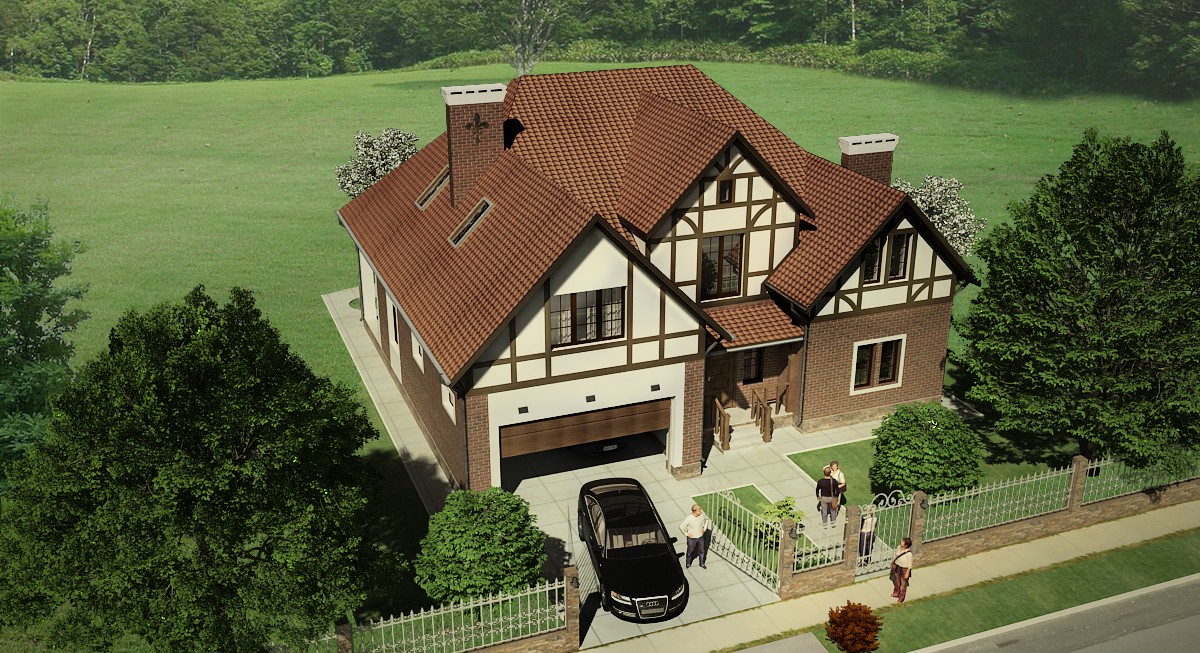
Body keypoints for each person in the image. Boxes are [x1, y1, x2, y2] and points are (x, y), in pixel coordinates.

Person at [679, 503, 712, 569]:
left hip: (700, 537)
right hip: (692, 539)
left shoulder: (701, 515)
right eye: (699, 511)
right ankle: (688, 563)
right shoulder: (689, 518)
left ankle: (702, 564)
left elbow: (707, 520)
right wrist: (686, 534)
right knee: (690, 551)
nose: (700, 512)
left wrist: (704, 529)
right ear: (694, 511)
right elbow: (681, 526)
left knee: (702, 551)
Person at [890, 537, 914, 602]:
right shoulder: (898, 548)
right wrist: (893, 563)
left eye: (903, 541)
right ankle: (896, 593)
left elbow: (910, 564)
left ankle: (901, 598)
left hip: (904, 569)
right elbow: (895, 556)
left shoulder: (909, 554)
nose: (901, 542)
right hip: (897, 566)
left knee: (903, 584)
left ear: (906, 545)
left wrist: (907, 573)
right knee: (897, 581)